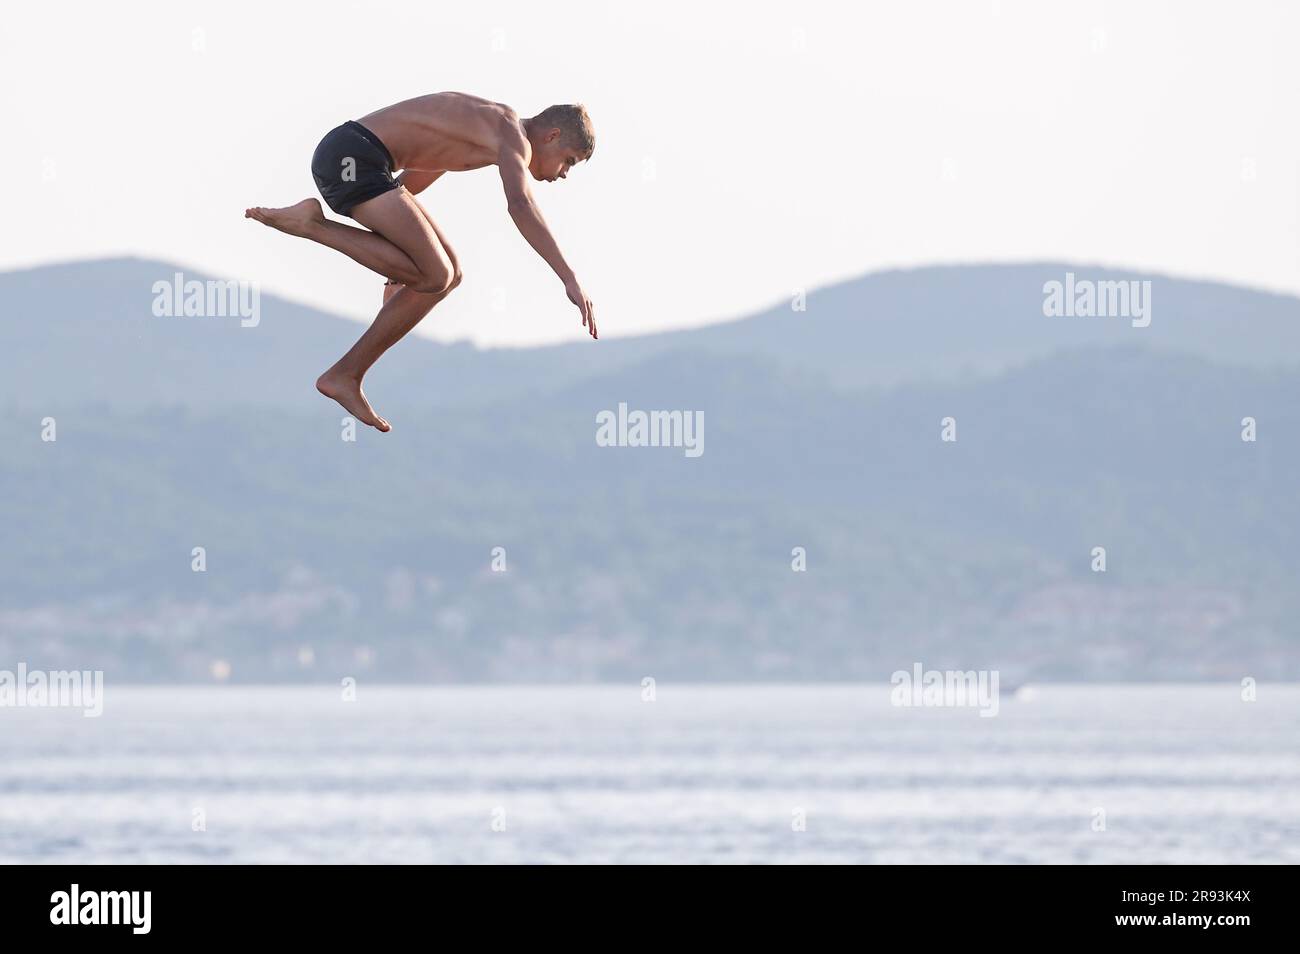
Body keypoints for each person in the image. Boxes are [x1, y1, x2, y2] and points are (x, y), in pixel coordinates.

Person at [246, 92, 597, 431]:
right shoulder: (511, 137)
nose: (564, 173)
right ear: (552, 135)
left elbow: (411, 184)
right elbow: (521, 206)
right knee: (436, 274)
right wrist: (569, 277)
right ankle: (312, 225)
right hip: (351, 158)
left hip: (358, 160)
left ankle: (346, 374)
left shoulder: (484, 131)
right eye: (568, 160)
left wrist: (394, 274)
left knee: (449, 275)